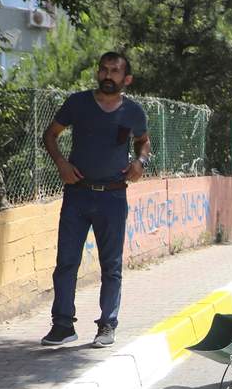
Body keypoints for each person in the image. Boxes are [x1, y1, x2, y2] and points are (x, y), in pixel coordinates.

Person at [41, 52, 150, 348]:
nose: (107, 76)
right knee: (66, 262)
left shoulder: (133, 112)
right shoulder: (77, 103)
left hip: (113, 197)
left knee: (111, 266)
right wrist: (62, 164)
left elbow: (143, 141)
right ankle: (63, 325)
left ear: (126, 79)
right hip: (77, 194)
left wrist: (140, 162)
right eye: (104, 69)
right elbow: (50, 135)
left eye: (115, 71)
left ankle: (107, 325)